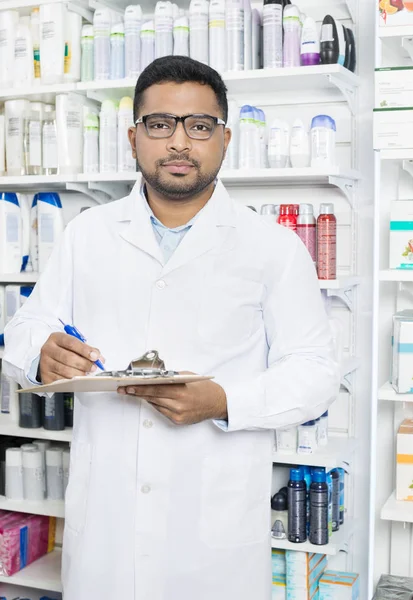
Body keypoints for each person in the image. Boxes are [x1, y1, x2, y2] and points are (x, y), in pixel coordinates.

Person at [3, 56, 340, 600]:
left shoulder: (272, 248)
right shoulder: (87, 234)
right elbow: (26, 325)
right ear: (133, 137)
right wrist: (41, 350)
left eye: (199, 127)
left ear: (224, 140)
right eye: (160, 125)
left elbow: (316, 371)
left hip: (213, 537)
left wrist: (223, 400)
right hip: (107, 531)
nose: (179, 143)